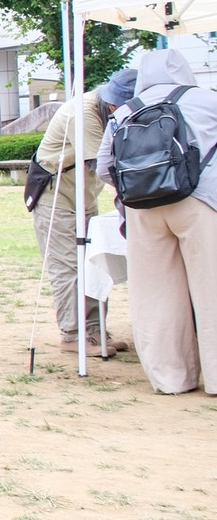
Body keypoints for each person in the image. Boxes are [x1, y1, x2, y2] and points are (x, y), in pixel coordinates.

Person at [97, 49, 217, 394]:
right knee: (211, 288)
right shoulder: (207, 100)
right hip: (201, 201)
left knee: (156, 295)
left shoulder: (126, 111)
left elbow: (104, 167)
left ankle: (171, 378)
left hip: (143, 208)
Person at [32, 68, 137, 356]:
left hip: (84, 197)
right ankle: (73, 335)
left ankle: (94, 330)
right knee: (68, 267)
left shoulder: (106, 111)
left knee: (93, 264)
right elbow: (104, 166)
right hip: (56, 197)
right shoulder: (84, 113)